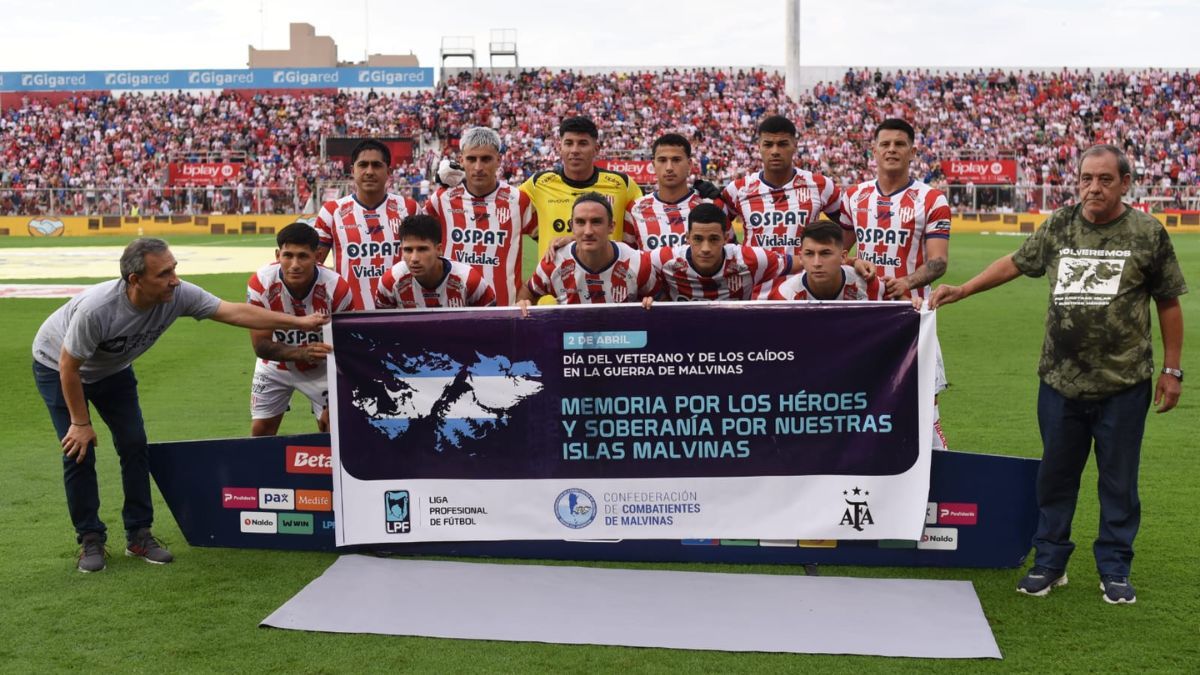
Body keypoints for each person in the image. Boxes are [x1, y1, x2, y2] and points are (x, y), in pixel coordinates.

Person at [929, 145, 1187, 605]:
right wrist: (964, 289)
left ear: (1125, 183)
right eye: (1087, 177)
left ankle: (1115, 568)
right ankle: (1049, 561)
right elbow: (1015, 262)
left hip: (1124, 384)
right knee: (1056, 477)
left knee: (1118, 481)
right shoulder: (1060, 225)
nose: (1094, 187)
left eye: (1105, 179)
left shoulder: (1147, 232)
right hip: (1059, 382)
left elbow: (1168, 302)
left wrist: (1172, 369)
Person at [32, 238, 330, 573]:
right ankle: (90, 537)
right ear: (135, 280)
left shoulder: (179, 294)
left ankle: (139, 533)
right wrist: (80, 423)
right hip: (56, 364)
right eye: (164, 274)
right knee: (78, 449)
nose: (174, 279)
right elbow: (68, 367)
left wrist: (298, 323)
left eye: (174, 269)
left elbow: (233, 311)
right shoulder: (97, 310)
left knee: (133, 443)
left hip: (113, 370)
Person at [841, 118, 953, 447]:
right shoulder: (854, 197)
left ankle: (940, 489)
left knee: (924, 415)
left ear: (912, 151)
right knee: (861, 408)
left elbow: (938, 261)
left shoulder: (931, 200)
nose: (892, 149)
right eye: (885, 144)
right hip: (862, 319)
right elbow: (836, 253)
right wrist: (853, 262)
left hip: (911, 317)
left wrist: (906, 282)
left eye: (900, 144)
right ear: (873, 150)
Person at [246, 223, 356, 437]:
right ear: (278, 255)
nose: (294, 265)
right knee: (261, 432)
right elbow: (261, 346)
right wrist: (301, 353)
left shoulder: (337, 288)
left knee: (332, 431)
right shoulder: (261, 283)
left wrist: (336, 398)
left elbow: (347, 347)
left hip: (324, 367)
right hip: (275, 366)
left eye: (303, 256)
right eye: (288, 255)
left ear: (318, 255)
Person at [423, 127, 536, 306]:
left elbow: (546, 241)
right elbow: (416, 240)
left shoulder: (518, 200)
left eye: (486, 159)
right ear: (461, 160)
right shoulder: (442, 199)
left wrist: (531, 289)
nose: (478, 167)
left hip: (503, 309)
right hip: (453, 309)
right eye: (471, 159)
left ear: (498, 160)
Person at [721, 114, 850, 256]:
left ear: (794, 145)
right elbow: (716, 225)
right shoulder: (738, 189)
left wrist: (833, 256)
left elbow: (849, 224)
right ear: (759, 147)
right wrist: (736, 252)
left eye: (782, 144)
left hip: (804, 277)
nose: (775, 151)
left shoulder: (820, 185)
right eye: (768, 144)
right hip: (757, 278)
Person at [314, 139, 419, 310]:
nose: (369, 171)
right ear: (352, 170)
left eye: (377, 165)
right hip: (351, 315)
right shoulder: (331, 211)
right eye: (363, 165)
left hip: (402, 314)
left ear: (388, 172)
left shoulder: (409, 208)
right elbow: (314, 265)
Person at [520, 116, 643, 256]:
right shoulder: (538, 183)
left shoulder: (623, 185)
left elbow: (642, 230)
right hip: (553, 276)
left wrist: (574, 240)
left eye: (583, 143)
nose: (575, 150)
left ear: (596, 149)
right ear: (560, 147)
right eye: (568, 143)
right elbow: (509, 211)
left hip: (606, 276)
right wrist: (541, 235)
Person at [517, 193, 659, 311]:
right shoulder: (554, 262)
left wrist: (651, 303)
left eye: (596, 222)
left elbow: (660, 300)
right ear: (572, 226)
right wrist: (523, 303)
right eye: (580, 222)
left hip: (621, 342)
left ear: (611, 227)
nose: (588, 231)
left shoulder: (637, 262)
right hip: (572, 342)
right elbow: (529, 290)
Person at [650, 203, 799, 302]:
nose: (705, 248)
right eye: (698, 239)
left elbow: (803, 262)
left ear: (726, 238)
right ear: (687, 238)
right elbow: (634, 269)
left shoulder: (751, 259)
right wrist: (647, 297)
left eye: (714, 239)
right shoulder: (664, 260)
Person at [624, 133, 724, 251]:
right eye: (662, 160)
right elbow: (629, 260)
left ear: (689, 164)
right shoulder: (635, 209)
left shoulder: (712, 205)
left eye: (676, 160)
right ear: (653, 165)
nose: (669, 167)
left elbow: (728, 253)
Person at [374, 214, 497, 309]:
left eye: (422, 249)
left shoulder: (469, 280)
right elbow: (382, 329)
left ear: (439, 250)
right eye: (408, 250)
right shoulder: (390, 281)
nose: (414, 258)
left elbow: (492, 324)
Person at [768, 220, 884, 301]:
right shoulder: (786, 295)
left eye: (825, 253)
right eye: (809, 254)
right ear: (801, 258)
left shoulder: (868, 284)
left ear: (843, 257)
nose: (817, 263)